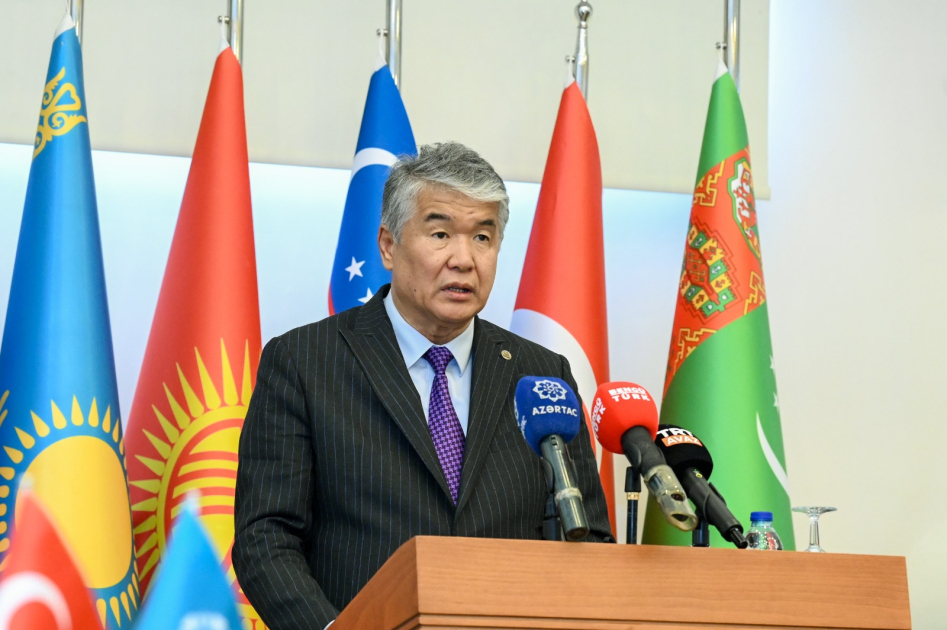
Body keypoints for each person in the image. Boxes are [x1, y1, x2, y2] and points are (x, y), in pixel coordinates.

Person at [233, 142, 613, 629]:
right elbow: (266, 536)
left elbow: (587, 537)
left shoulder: (542, 375)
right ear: (388, 246)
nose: (464, 259)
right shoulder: (304, 362)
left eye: (483, 237)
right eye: (440, 234)